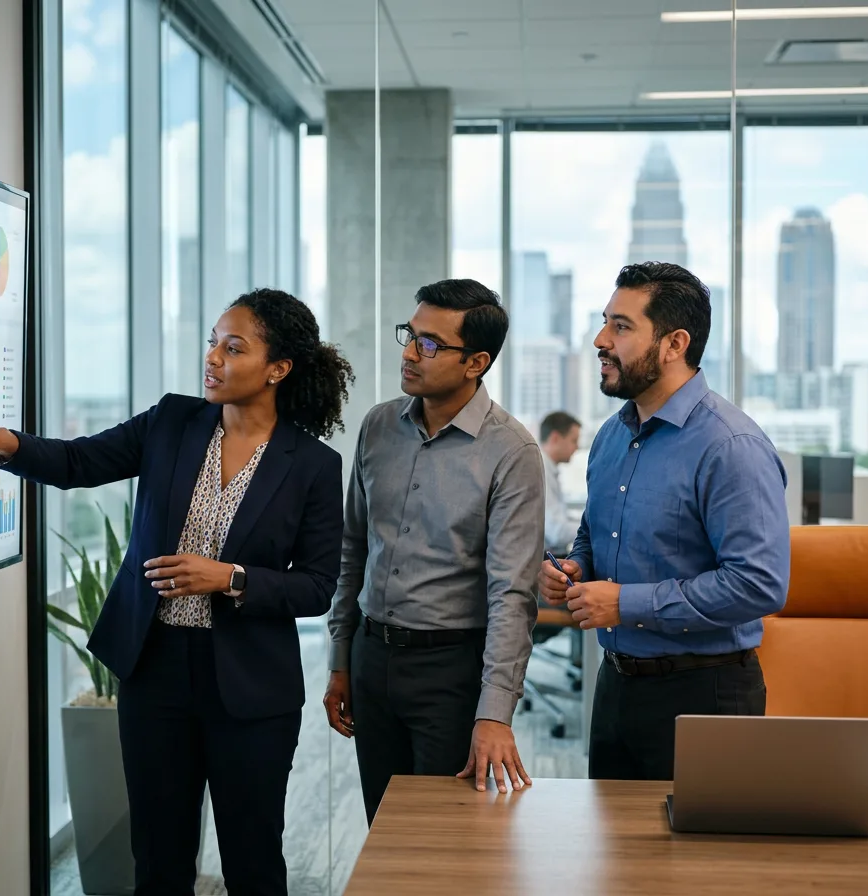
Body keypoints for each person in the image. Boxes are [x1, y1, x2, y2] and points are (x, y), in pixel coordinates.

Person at [0, 289, 353, 895]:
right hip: (154, 669)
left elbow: (316, 585)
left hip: (251, 685)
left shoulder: (312, 463)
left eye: (234, 348)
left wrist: (228, 577)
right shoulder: (171, 421)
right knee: (158, 856)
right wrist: (5, 442)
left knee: (253, 857)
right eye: (212, 340)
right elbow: (78, 461)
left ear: (278, 369)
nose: (213, 357)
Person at [537, 262, 789, 782]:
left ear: (675, 343)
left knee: (701, 864)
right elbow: (594, 531)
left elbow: (759, 584)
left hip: (705, 696)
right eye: (605, 321)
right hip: (616, 688)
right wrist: (575, 567)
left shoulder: (731, 446)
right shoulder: (610, 436)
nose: (600, 339)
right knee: (613, 860)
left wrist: (623, 603)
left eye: (621, 327)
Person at [323, 278, 543, 826]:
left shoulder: (511, 451)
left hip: (450, 671)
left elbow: (512, 593)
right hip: (372, 659)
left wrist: (495, 715)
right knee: (385, 825)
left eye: (428, 344)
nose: (408, 352)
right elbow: (354, 547)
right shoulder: (378, 426)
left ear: (476, 362)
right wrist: (340, 660)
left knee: (444, 839)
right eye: (409, 335)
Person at [538, 410, 582, 554]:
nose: (577, 447)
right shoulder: (540, 469)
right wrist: (594, 529)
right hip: (545, 557)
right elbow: (557, 531)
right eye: (573, 440)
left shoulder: (547, 468)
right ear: (555, 438)